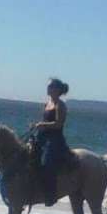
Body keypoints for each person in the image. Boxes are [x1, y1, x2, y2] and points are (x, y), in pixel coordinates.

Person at [32, 77, 72, 206]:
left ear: (56, 90)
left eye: (50, 87)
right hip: (42, 136)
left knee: (47, 162)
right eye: (48, 86)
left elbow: (58, 124)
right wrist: (36, 125)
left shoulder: (61, 105)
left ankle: (50, 194)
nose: (47, 89)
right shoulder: (47, 103)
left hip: (54, 139)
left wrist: (42, 124)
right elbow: (45, 121)